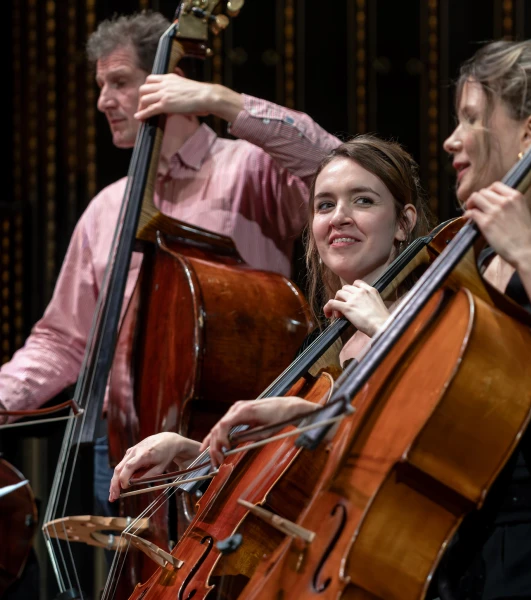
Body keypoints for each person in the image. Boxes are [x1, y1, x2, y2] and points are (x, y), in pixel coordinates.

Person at [112, 38, 531, 600]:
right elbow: (421, 425)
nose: (451, 139)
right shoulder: (477, 269)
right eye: (324, 205)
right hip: (465, 561)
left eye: (471, 118)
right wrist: (290, 418)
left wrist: (527, 259)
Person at [0, 9, 340, 524]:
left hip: (235, 433)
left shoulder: (248, 168)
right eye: (100, 85)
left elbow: (334, 163)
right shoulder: (106, 209)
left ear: (170, 81)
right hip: (123, 440)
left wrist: (222, 101)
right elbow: (63, 340)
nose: (103, 100)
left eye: (119, 82)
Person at [108, 133, 434, 498]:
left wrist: (385, 329)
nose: (339, 217)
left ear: (403, 223)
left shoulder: (434, 315)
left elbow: (448, 425)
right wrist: (189, 453)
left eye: (363, 201)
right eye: (325, 205)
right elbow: (286, 482)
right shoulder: (317, 348)